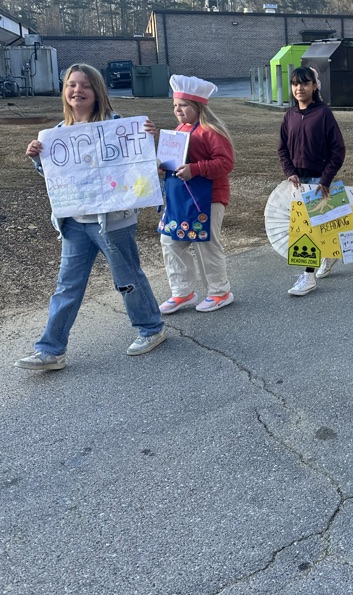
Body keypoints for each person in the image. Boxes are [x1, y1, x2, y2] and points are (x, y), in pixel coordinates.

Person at [15, 64, 166, 371]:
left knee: (128, 280)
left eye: (85, 85)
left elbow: (138, 165)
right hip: (74, 224)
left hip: (113, 222)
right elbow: (58, 179)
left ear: (97, 91)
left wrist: (151, 138)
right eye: (71, 85)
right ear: (64, 91)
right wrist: (38, 159)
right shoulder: (55, 136)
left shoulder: (119, 126)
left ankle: (151, 328)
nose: (77, 91)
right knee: (66, 287)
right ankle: (51, 349)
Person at [158, 75, 235, 314]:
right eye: (175, 106)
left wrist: (196, 169)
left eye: (183, 105)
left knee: (207, 244)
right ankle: (182, 291)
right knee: (171, 240)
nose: (178, 110)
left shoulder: (211, 131)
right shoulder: (179, 130)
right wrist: (165, 166)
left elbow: (225, 162)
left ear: (198, 106)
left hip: (209, 197)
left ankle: (220, 291)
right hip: (182, 198)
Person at [278, 66, 346, 295]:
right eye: (295, 84)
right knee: (310, 228)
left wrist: (325, 180)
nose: (299, 88)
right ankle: (328, 256)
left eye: (305, 83)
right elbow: (282, 149)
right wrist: (290, 171)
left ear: (314, 86)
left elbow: (338, 150)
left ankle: (308, 277)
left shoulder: (323, 114)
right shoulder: (289, 116)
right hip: (298, 181)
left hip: (318, 180)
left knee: (311, 228)